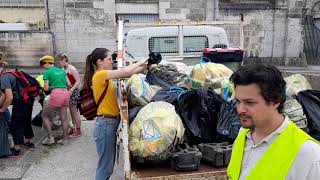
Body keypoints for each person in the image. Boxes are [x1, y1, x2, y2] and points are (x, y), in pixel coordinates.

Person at [227, 65, 320, 180]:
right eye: (238, 101)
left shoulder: (308, 153)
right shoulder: (242, 136)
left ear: (275, 101)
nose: (240, 109)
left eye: (249, 103)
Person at [83, 48, 147, 180]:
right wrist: (141, 61)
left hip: (108, 124)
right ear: (99, 61)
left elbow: (129, 74)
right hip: (105, 125)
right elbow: (126, 71)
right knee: (105, 167)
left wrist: (146, 66)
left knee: (107, 165)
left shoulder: (103, 75)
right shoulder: (100, 75)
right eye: (108, 59)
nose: (111, 61)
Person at [0, 62, 35, 157]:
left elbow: (9, 97)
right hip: (29, 98)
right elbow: (4, 94)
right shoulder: (11, 72)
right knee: (26, 120)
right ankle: (29, 142)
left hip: (20, 101)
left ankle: (16, 150)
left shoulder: (3, 77)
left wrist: (2, 109)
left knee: (15, 124)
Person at [40, 55, 70, 145]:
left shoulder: (47, 72)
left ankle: (50, 138)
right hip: (65, 93)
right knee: (64, 118)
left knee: (44, 115)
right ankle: (65, 139)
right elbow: (69, 84)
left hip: (56, 94)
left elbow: (46, 88)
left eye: (42, 64)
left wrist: (52, 87)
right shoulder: (62, 71)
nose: (42, 66)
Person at [55, 53, 82, 138]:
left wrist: (71, 90)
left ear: (63, 60)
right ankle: (74, 129)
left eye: (59, 62)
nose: (58, 64)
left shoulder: (72, 68)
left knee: (74, 112)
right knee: (71, 112)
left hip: (72, 92)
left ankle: (78, 130)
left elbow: (78, 81)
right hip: (68, 92)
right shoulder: (64, 68)